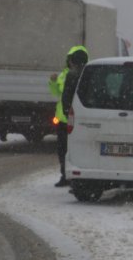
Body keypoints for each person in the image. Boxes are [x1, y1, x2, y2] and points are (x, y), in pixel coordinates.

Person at [48, 46, 88, 187]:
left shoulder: (76, 74)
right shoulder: (65, 74)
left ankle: (73, 176)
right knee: (63, 150)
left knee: (72, 149)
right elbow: (58, 93)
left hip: (73, 119)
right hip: (64, 120)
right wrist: (53, 83)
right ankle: (65, 175)